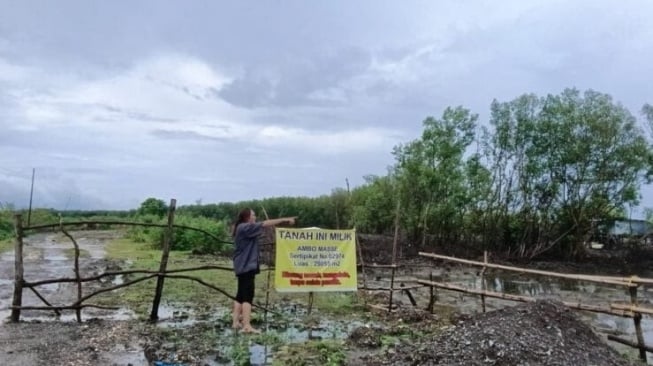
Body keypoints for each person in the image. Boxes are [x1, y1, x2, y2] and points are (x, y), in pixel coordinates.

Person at [231, 208, 296, 333]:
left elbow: (262, 226)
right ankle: (247, 326)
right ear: (247, 217)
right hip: (246, 266)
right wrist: (284, 219)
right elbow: (265, 224)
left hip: (242, 266)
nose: (255, 217)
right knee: (247, 296)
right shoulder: (245, 227)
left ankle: (235, 322)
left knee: (240, 295)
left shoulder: (241, 227)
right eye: (253, 215)